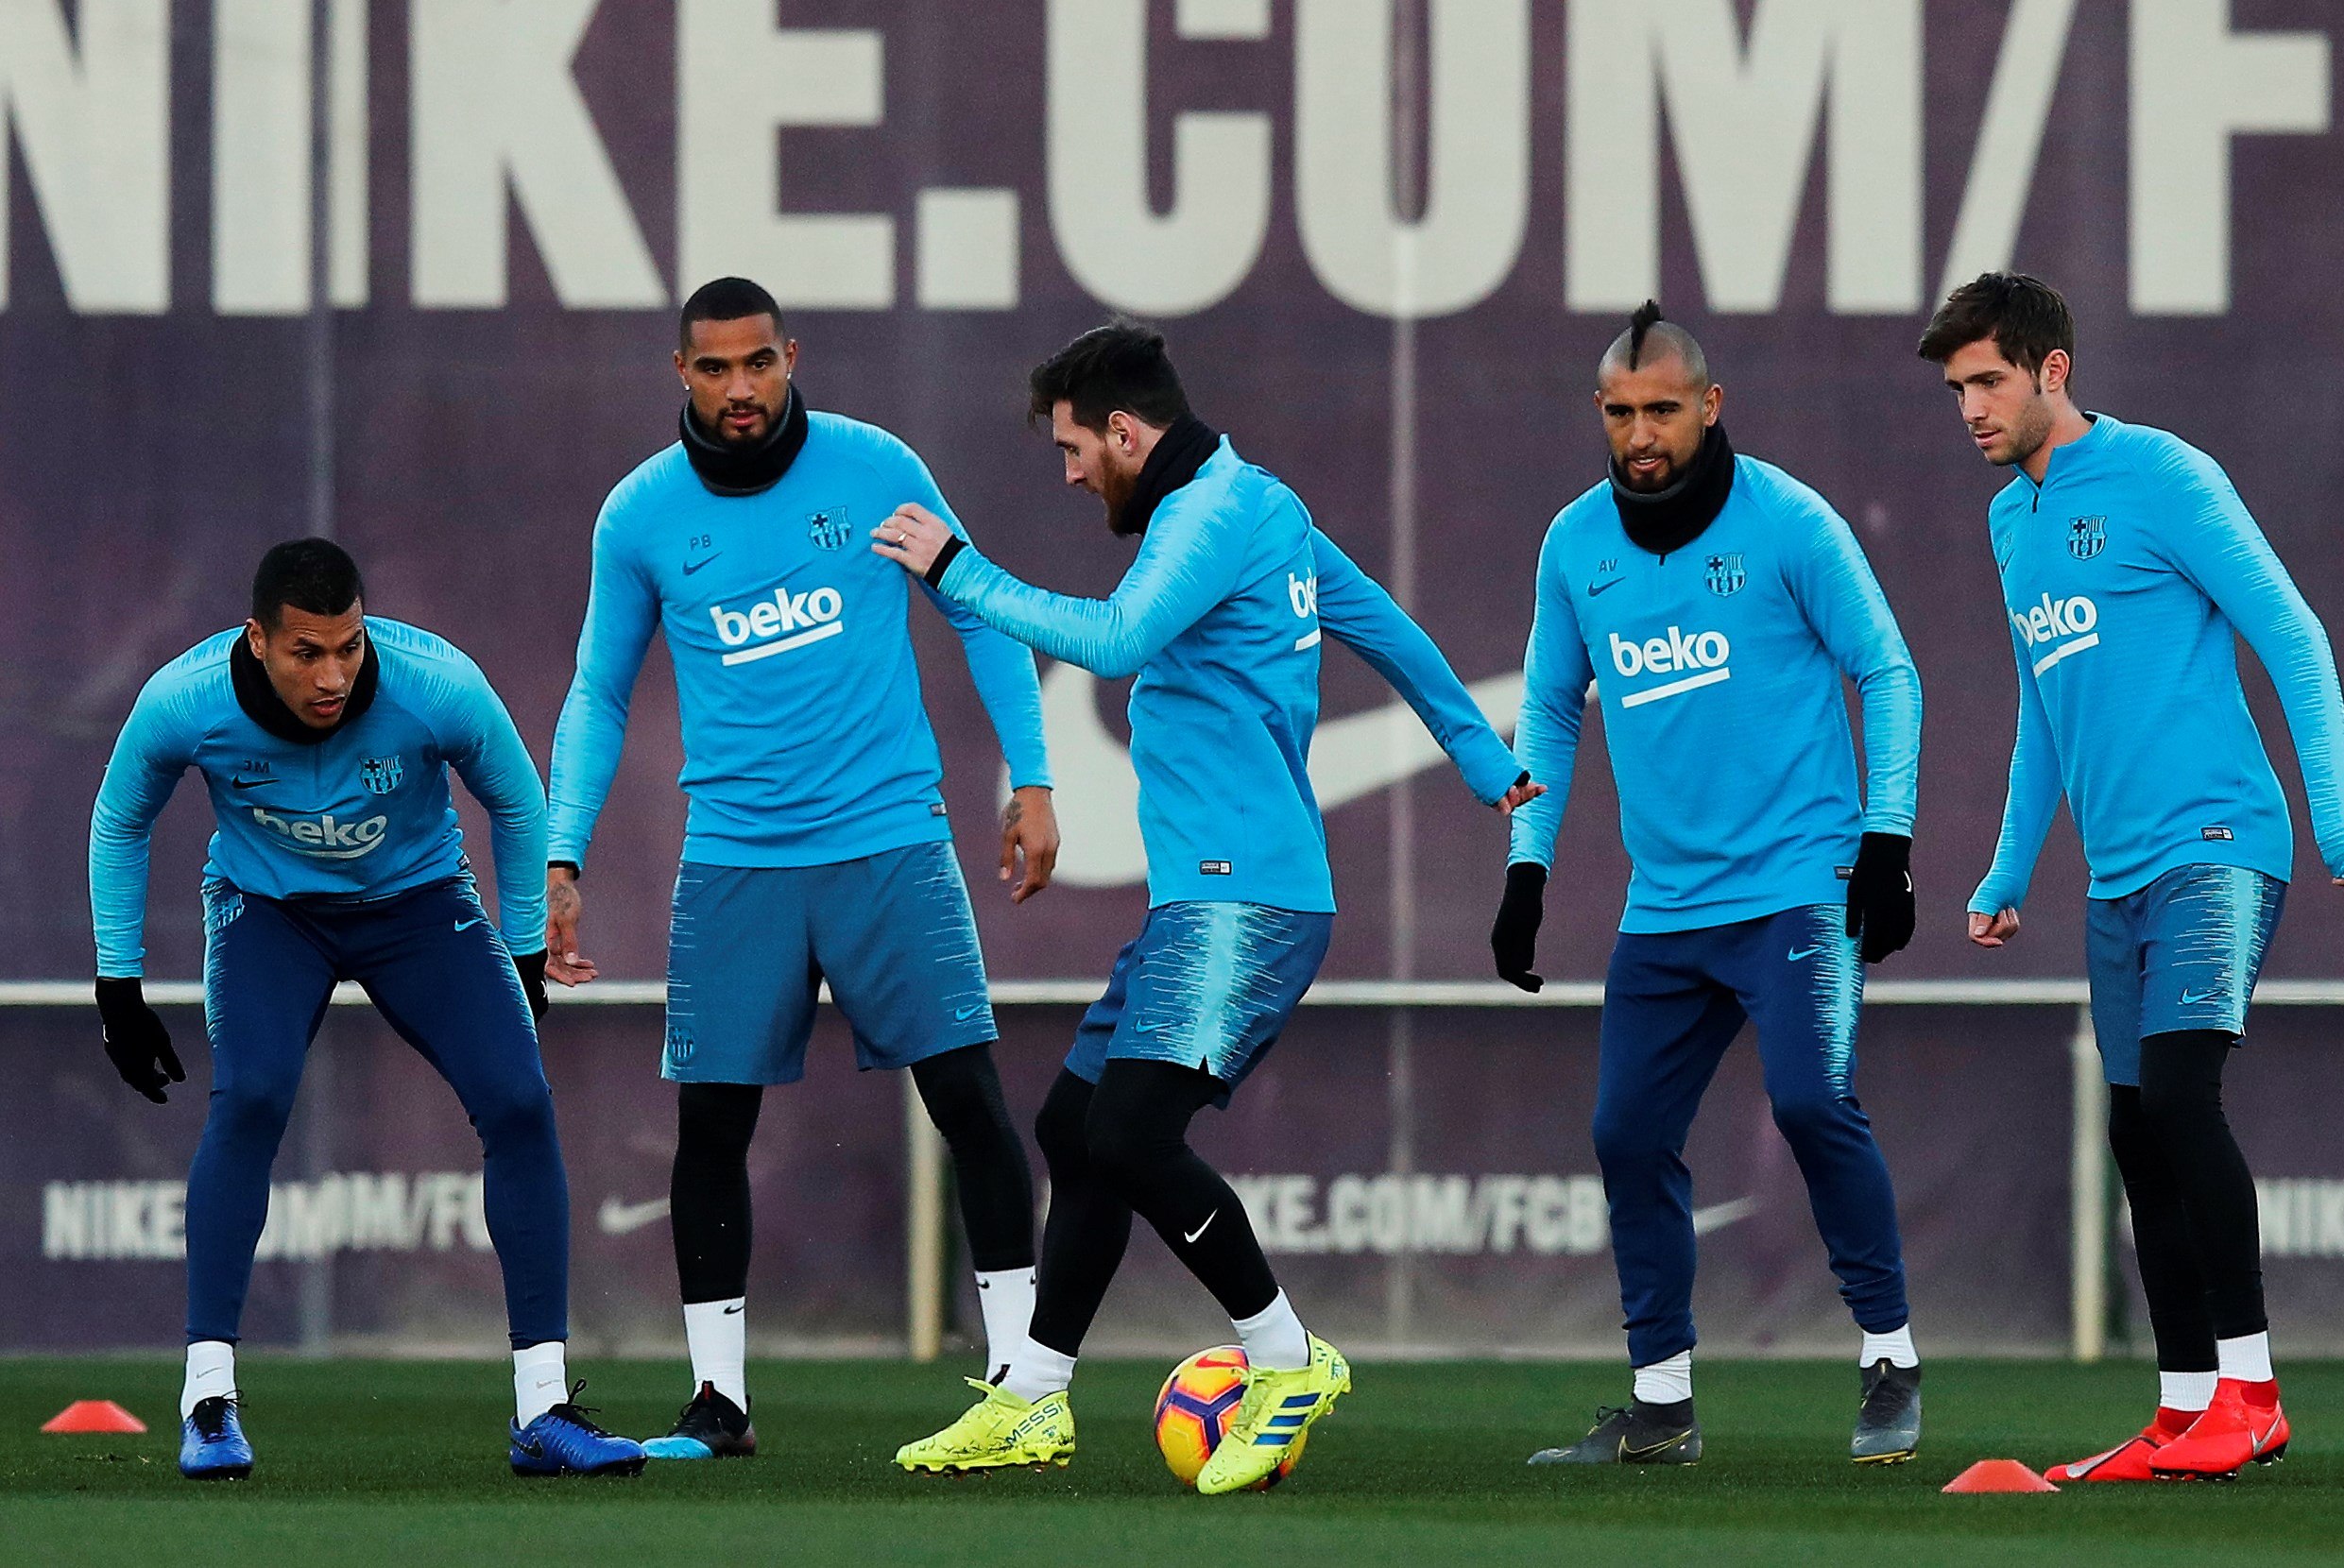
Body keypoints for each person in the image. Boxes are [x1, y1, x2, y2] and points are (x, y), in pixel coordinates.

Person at [875, 321, 1538, 1493]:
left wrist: (956, 572)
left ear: (1129, 432)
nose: (1072, 472)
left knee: (1129, 1136)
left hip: (1249, 896)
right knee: (1077, 1134)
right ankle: (1032, 1396)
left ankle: (1286, 1356)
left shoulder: (1208, 517)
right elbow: (1385, 627)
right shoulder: (1260, 505)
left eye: (1077, 448)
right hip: (1207, 897)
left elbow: (1118, 638)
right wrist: (1482, 758)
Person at [546, 277, 1057, 1460]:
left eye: (760, 364)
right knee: (711, 1128)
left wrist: (1030, 778)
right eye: (716, 369)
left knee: (971, 1104)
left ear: (792, 356)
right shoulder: (639, 517)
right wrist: (561, 850)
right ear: (680, 372)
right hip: (736, 861)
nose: (741, 389)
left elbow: (977, 612)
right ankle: (719, 1401)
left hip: (891, 842)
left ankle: (1020, 1380)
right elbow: (598, 692)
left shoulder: (878, 469)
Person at [88, 539, 642, 1480]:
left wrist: (520, 956)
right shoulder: (183, 701)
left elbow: (514, 802)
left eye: (347, 646)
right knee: (253, 1095)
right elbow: (119, 818)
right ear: (256, 640)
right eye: (307, 652)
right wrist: (117, 986)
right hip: (270, 915)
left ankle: (544, 1411)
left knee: (518, 1100)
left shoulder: (437, 683)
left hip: (418, 907)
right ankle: (208, 1401)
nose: (334, 674)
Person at [1921, 272, 2344, 1482]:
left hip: (2218, 844)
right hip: (2118, 879)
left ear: (2053, 369)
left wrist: (2337, 816)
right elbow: (2044, 713)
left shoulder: (2165, 476)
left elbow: (2295, 636)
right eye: (1957, 389)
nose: (1970, 408)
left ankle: (2255, 1396)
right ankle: (2182, 1405)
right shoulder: (2013, 522)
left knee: (2177, 1097)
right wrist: (2008, 868)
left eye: (1989, 380)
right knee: (2134, 1132)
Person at [1497, 304, 1925, 1467]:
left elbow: (1888, 670)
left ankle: (1889, 1356)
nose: (1643, 433)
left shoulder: (1790, 523)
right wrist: (1525, 873)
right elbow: (1546, 709)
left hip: (1799, 885)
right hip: (1667, 907)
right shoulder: (1575, 543)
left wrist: (1884, 841)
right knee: (1626, 1133)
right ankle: (1662, 1404)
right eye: (1623, 413)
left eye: (1664, 410)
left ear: (1710, 406)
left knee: (1807, 1103)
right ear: (1603, 413)